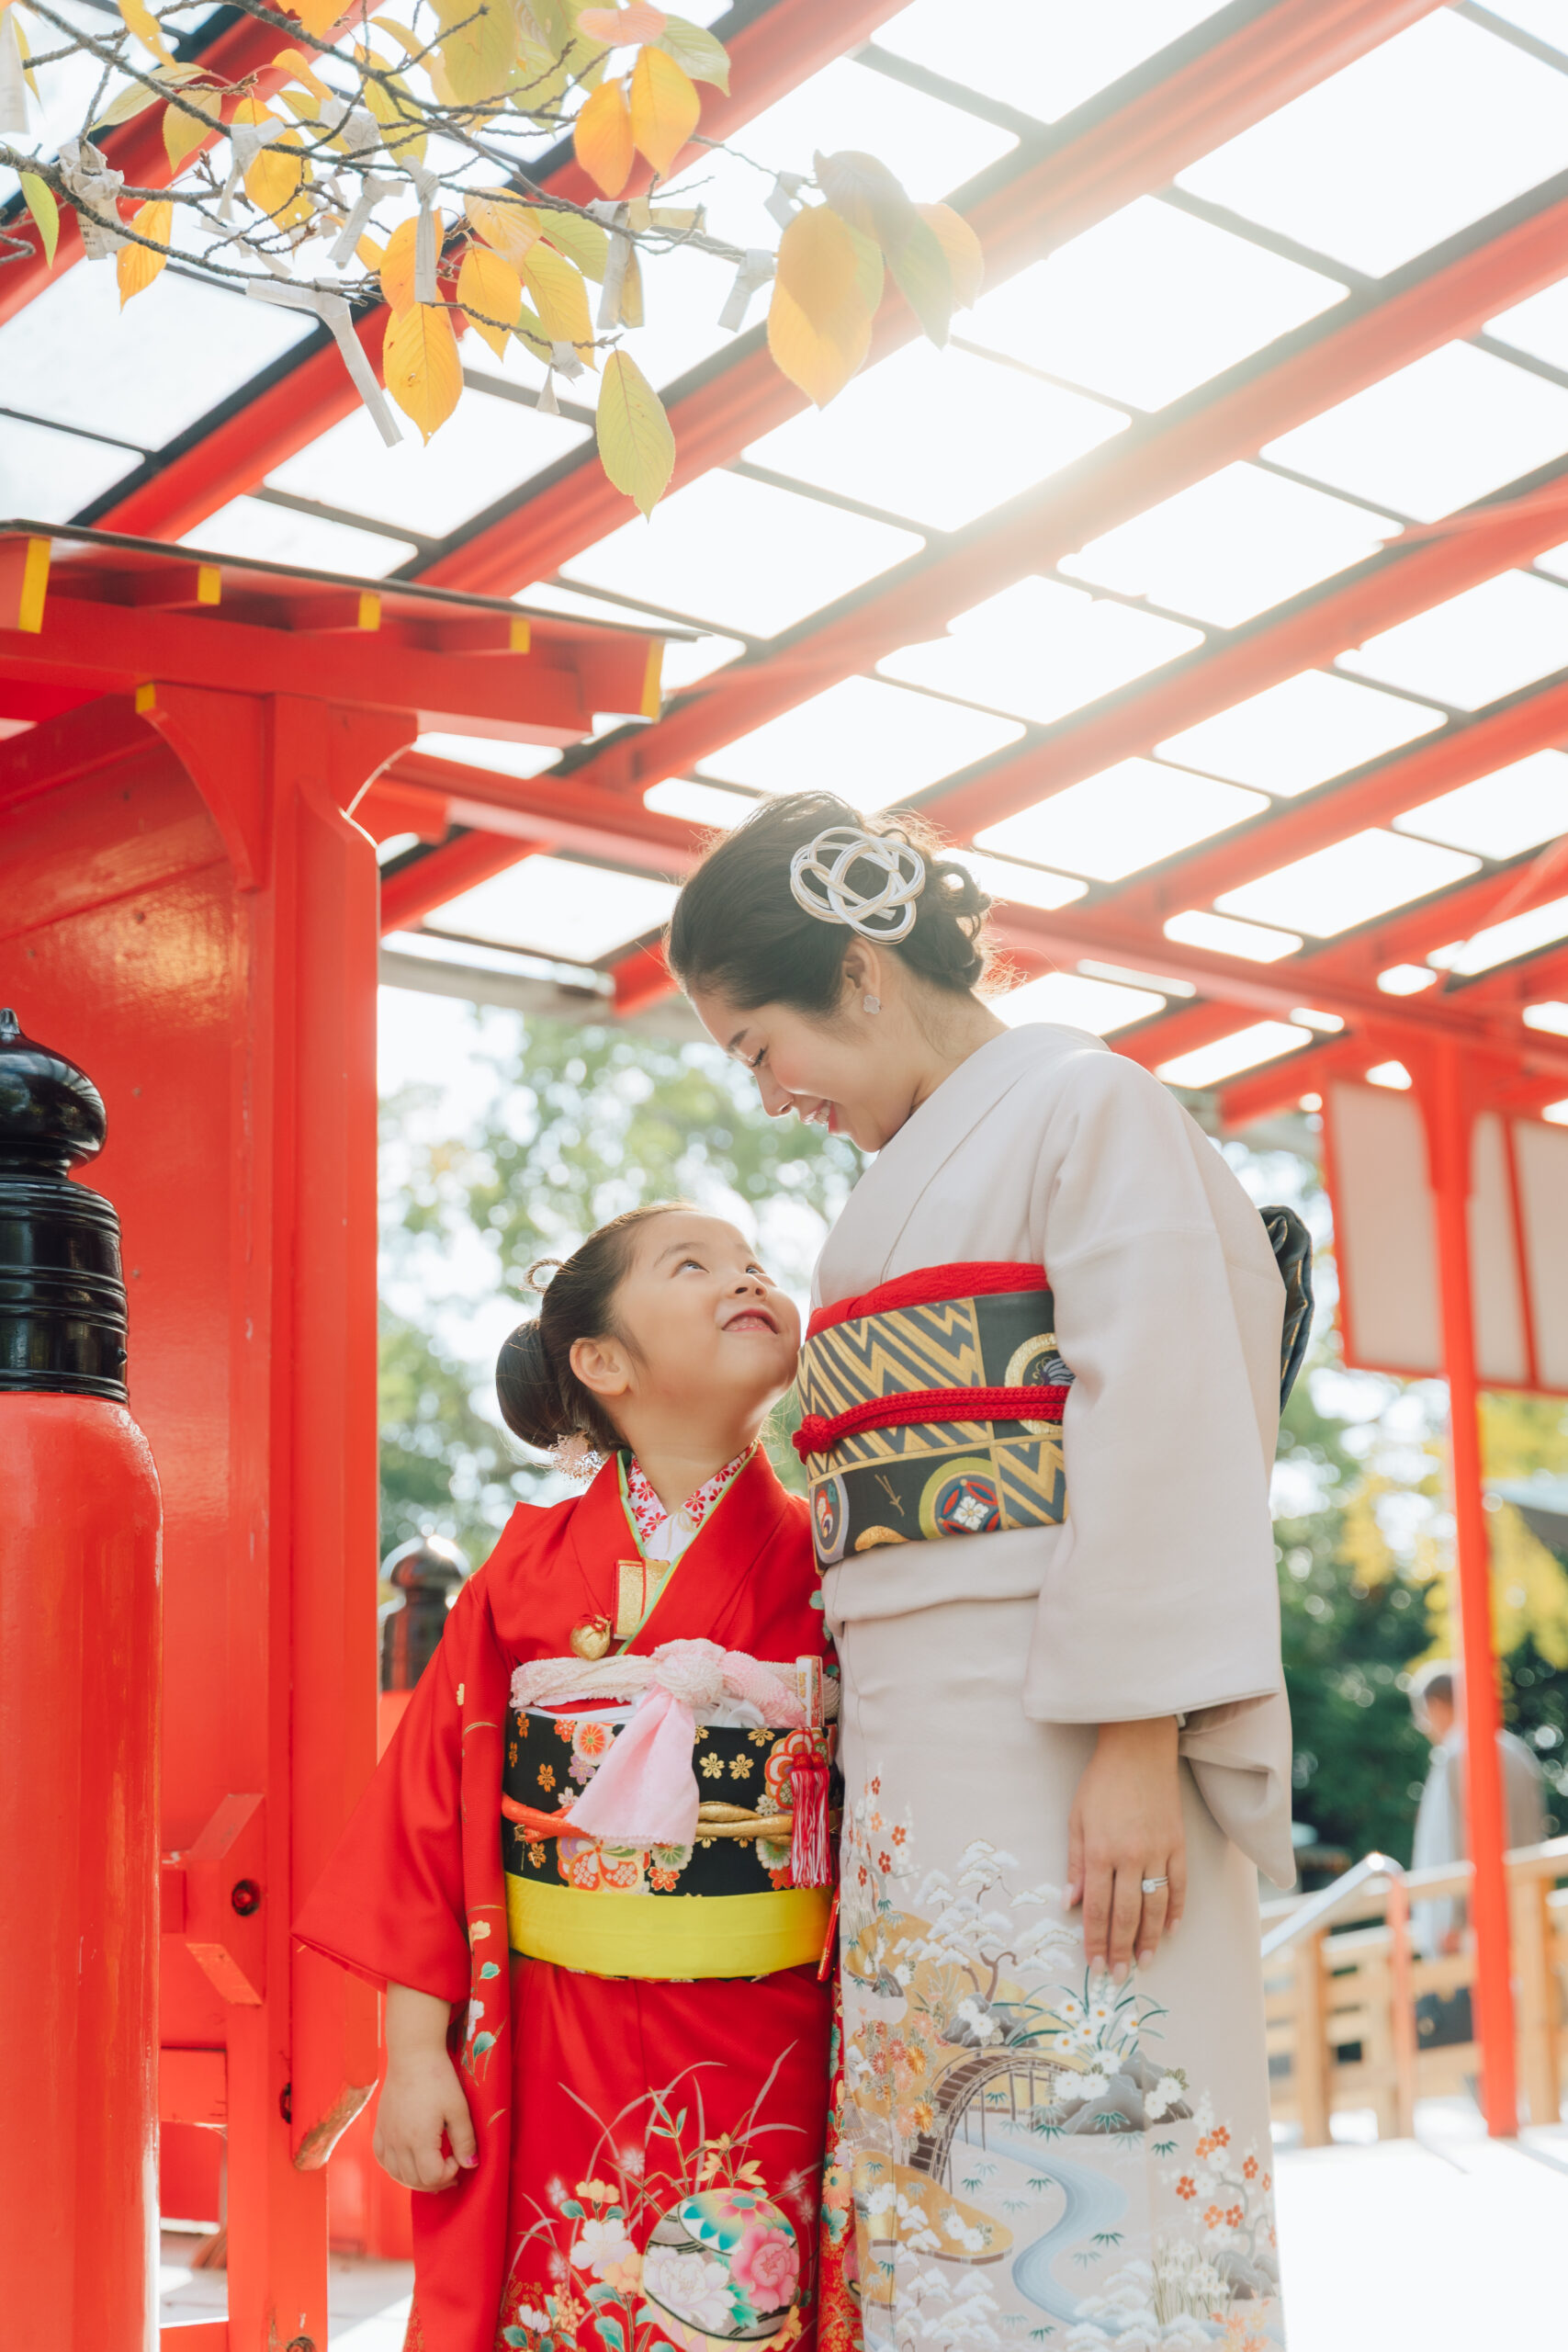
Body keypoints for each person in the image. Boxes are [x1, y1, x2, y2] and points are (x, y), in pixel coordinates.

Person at [667, 796, 1298, 2351]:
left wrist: (1137, 1737)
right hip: (916, 1731)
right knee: (946, 2132)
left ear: (858, 972)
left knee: (1100, 2105)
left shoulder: (1089, 1106)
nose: (771, 1094)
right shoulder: (884, 1201)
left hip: (1071, 1722)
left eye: (757, 1047)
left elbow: (1159, 1415)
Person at [297, 1206, 849, 2352]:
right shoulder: (523, 1570)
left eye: (756, 1263)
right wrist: (414, 2055)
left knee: (746, 2307)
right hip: (557, 2030)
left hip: (769, 2023)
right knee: (566, 2297)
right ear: (601, 1362)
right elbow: (429, 1818)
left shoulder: (836, 1556)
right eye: (694, 1265)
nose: (748, 1278)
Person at [1409, 1659, 1546, 1962]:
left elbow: (1458, 1840)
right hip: (1525, 1905)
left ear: (1435, 1706)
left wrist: (1454, 1918)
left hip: (1474, 1924)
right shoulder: (1516, 1750)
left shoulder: (1456, 1756)